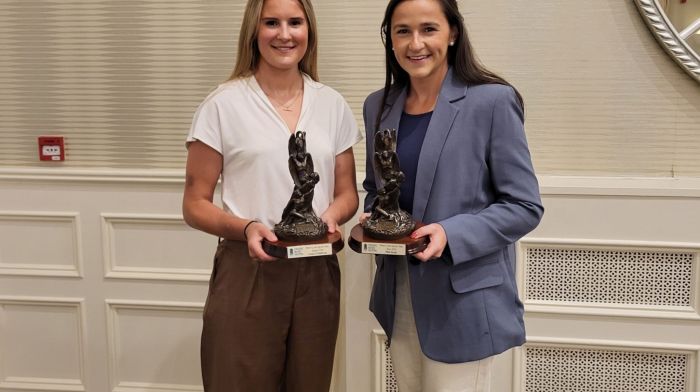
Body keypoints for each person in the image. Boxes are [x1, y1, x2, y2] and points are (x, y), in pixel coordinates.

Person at [361, 0, 544, 391]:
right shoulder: (378, 105)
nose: (415, 43)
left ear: (453, 33)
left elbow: (524, 206)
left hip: (463, 300)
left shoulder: (492, 101)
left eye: (428, 29)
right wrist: (372, 216)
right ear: (389, 39)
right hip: (398, 293)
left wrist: (450, 233)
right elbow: (376, 190)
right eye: (402, 31)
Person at [182, 0, 361, 390]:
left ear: (308, 30)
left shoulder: (331, 104)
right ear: (254, 30)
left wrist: (330, 217)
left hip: (317, 271)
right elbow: (194, 204)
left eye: (295, 22)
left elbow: (347, 193)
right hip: (249, 269)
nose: (284, 34)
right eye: (272, 22)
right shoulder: (222, 105)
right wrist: (246, 226)